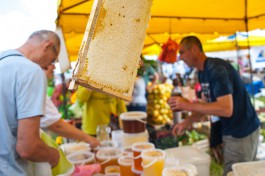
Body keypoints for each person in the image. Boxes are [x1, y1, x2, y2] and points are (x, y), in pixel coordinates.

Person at [168, 36, 260, 176]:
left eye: (182, 52)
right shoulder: (203, 72)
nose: (180, 58)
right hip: (233, 131)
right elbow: (208, 105)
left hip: (241, 132)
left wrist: (187, 105)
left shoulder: (216, 69)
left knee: (234, 172)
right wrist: (187, 122)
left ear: (194, 49)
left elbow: (226, 109)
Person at [0, 30, 60, 175]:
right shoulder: (31, 71)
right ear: (47, 45)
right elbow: (28, 147)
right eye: (53, 60)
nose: (49, 65)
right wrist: (54, 155)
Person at [42, 64, 100, 148]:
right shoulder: (60, 88)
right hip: (62, 112)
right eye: (50, 63)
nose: (54, 67)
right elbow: (56, 125)